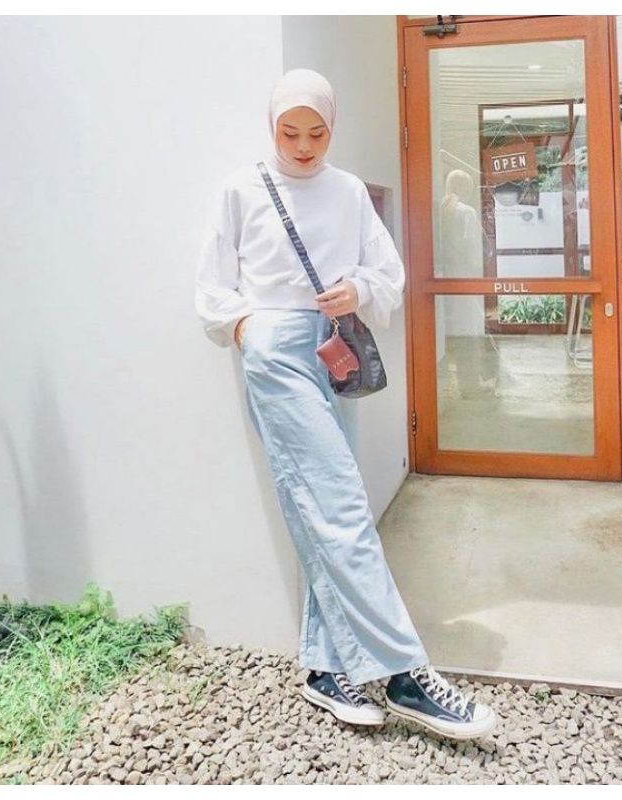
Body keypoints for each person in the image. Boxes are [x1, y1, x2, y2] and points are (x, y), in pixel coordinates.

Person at [195, 68, 496, 740]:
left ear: (332, 128)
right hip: (275, 351)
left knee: (325, 506)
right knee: (341, 507)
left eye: (317, 132)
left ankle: (324, 667)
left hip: (337, 348)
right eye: (290, 132)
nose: (304, 146)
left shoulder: (349, 190)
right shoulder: (242, 189)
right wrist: (248, 330)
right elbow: (212, 285)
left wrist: (357, 290)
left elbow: (389, 272)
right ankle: (402, 671)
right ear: (271, 127)